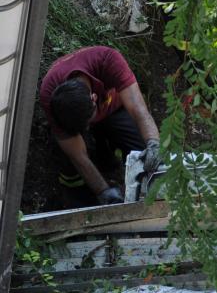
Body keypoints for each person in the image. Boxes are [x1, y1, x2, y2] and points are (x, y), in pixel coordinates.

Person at [40, 46, 161, 205]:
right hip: (73, 124)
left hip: (112, 109)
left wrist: (153, 143)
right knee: (69, 164)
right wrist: (103, 191)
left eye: (89, 123)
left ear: (93, 97)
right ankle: (81, 201)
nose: (89, 128)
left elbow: (138, 109)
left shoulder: (108, 60)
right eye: (85, 127)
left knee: (142, 149)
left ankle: (147, 194)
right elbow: (78, 155)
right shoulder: (50, 94)